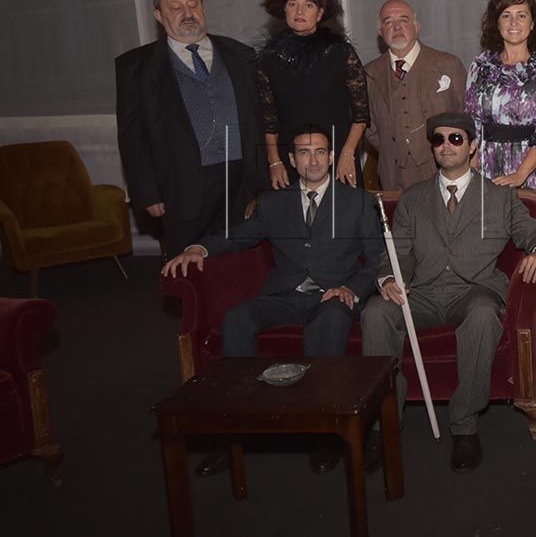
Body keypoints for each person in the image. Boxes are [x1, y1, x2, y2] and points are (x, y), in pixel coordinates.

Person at [163, 125, 383, 475]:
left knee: (328, 320)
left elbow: (377, 261)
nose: (314, 160)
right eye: (305, 153)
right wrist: (199, 248)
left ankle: (324, 433)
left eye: (320, 152)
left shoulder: (357, 202)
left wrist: (351, 289)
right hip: (285, 296)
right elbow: (238, 237)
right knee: (237, 317)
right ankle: (234, 429)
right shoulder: (273, 203)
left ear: (331, 157)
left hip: (333, 296)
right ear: (292, 160)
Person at [361, 112, 536, 473]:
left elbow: (532, 231)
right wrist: (389, 277)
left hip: (473, 291)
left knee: (483, 315)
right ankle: (382, 423)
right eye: (438, 139)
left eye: (456, 138)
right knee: (375, 313)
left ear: (471, 147)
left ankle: (465, 425)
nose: (446, 146)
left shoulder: (499, 196)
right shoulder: (413, 198)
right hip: (421, 292)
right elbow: (398, 251)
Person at [115, 0, 265, 256]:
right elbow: (132, 136)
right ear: (158, 15)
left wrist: (263, 181)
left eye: (193, 4)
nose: (187, 13)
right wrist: (147, 192)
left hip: (241, 181)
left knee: (242, 263)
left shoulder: (240, 54)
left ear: (203, 8)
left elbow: (259, 117)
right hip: (181, 185)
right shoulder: (135, 66)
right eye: (176, 7)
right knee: (189, 266)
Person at [465, 0, 536, 255]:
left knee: (535, 251)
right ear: (496, 23)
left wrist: (520, 174)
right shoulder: (480, 66)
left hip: (532, 169)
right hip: (487, 168)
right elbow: (471, 123)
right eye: (506, 15)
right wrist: (473, 175)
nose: (513, 22)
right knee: (491, 252)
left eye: (521, 15)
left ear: (532, 24)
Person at [256, 0, 369, 190]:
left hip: (337, 156)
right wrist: (274, 161)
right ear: (283, 9)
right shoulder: (268, 60)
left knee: (344, 210)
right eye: (292, 4)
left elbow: (361, 115)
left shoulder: (341, 53)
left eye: (308, 5)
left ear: (320, 13)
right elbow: (269, 120)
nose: (299, 11)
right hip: (290, 160)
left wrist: (348, 153)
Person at [363, 0, 467, 190]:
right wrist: (396, 148)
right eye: (388, 22)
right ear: (380, 31)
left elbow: (466, 115)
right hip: (393, 178)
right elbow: (370, 129)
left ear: (417, 26)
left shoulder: (448, 65)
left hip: (443, 173)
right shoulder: (369, 74)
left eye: (403, 20)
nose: (396, 27)